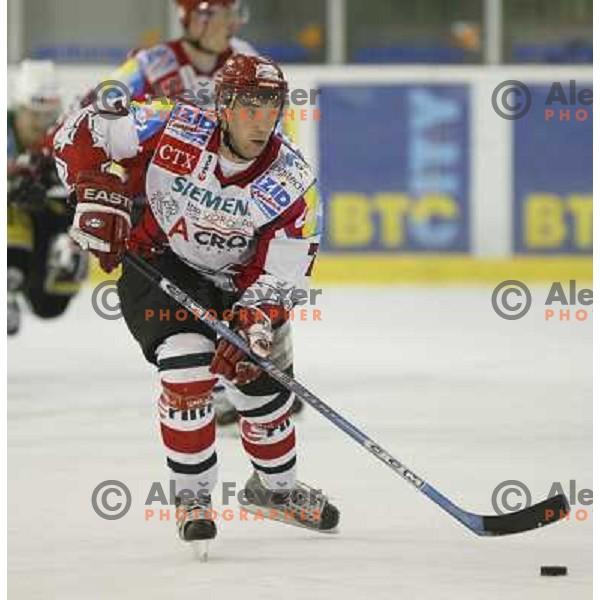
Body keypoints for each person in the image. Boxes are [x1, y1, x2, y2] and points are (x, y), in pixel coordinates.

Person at [53, 54, 338, 543]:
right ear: (224, 105)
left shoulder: (293, 182)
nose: (261, 120)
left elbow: (284, 272)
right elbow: (76, 132)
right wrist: (92, 188)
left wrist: (256, 323)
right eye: (249, 105)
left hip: (234, 286)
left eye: (271, 106)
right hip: (158, 261)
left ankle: (276, 490)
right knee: (186, 366)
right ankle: (192, 496)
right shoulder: (174, 124)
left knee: (263, 393)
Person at [8, 60, 88, 336]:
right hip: (13, 223)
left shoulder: (70, 134)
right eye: (35, 114)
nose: (43, 124)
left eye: (49, 115)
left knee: (50, 304)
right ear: (20, 108)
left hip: (53, 224)